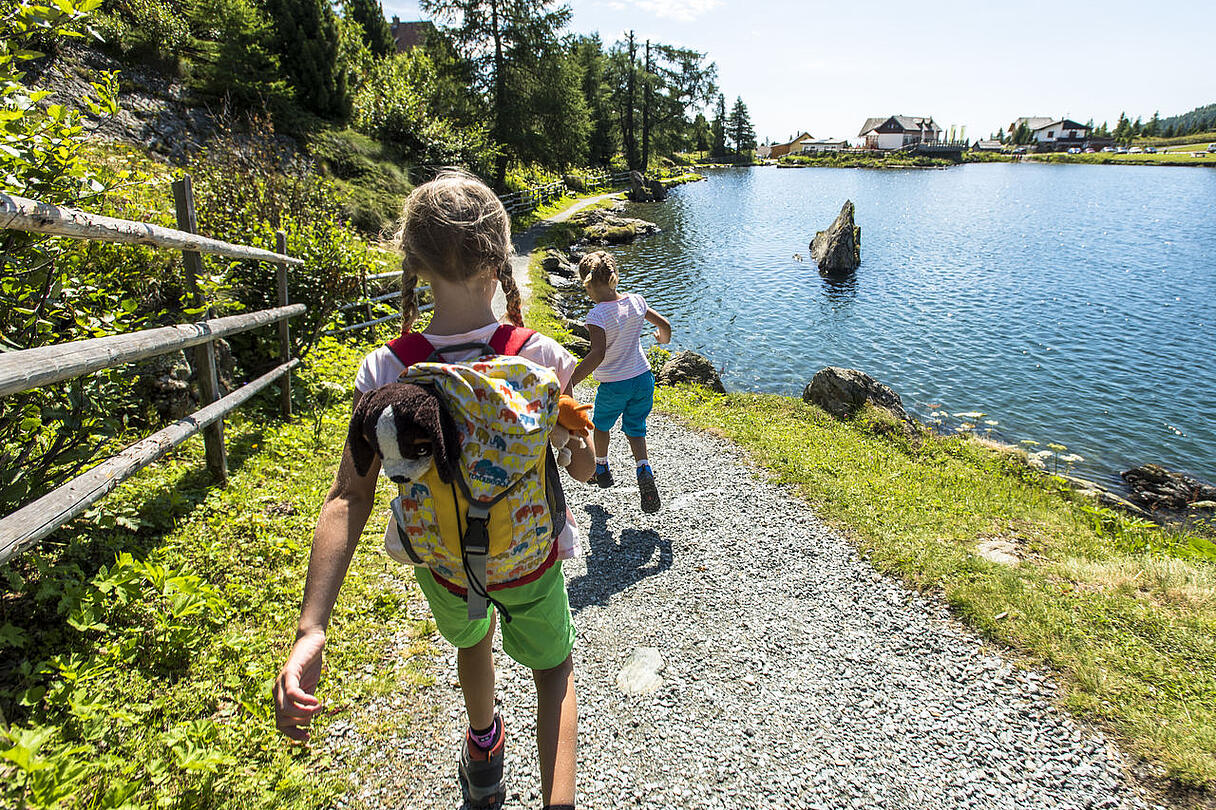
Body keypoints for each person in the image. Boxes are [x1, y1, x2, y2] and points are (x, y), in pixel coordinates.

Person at [273, 171, 593, 810]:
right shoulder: (541, 358)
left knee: (472, 639)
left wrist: (313, 628)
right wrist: (580, 446)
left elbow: (349, 496)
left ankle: (482, 748)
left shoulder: (387, 367)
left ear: (413, 262)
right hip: (529, 559)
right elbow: (581, 468)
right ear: (502, 260)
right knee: (554, 670)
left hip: (444, 565)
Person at [568, 250, 672, 514]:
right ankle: (643, 468)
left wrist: (573, 379)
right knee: (635, 427)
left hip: (615, 384)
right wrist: (662, 339)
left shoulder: (597, 316)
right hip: (643, 378)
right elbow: (665, 325)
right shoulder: (636, 302)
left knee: (601, 426)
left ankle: (601, 467)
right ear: (614, 278)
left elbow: (598, 353)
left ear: (588, 285)